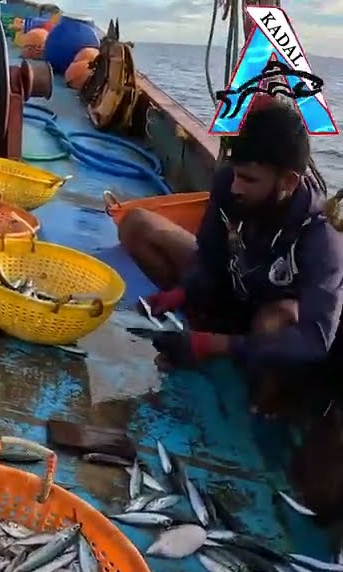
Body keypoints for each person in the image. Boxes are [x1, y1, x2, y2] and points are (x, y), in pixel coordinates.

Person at [119, 101, 343, 412]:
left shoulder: (322, 240)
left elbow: (316, 340)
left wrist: (218, 345)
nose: (235, 187)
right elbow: (208, 257)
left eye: (249, 179)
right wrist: (183, 292)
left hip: (265, 326)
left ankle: (257, 405)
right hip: (229, 296)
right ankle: (198, 333)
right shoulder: (229, 184)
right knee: (136, 225)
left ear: (288, 182)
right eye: (235, 174)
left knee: (276, 317)